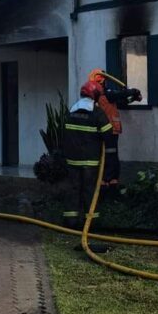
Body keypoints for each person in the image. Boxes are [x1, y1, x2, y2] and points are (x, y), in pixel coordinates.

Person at [60, 80, 113, 230]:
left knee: (73, 189)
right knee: (89, 191)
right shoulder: (96, 113)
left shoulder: (72, 110)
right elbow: (108, 134)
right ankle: (91, 224)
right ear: (95, 96)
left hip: (72, 160)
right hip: (90, 162)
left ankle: (70, 222)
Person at [87, 68, 142, 189]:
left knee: (105, 155)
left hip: (102, 131)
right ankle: (109, 180)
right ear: (102, 81)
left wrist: (132, 97)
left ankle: (106, 180)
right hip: (108, 130)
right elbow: (118, 95)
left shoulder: (97, 96)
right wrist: (133, 91)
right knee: (110, 155)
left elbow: (120, 101)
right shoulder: (105, 94)